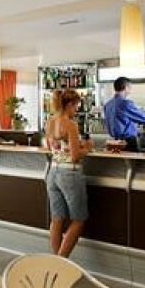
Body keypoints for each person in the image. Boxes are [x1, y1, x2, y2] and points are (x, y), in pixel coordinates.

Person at [44, 89, 93, 258]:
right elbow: (74, 157)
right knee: (79, 219)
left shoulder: (50, 122)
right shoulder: (70, 124)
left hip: (53, 172)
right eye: (76, 106)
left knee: (57, 219)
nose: (77, 110)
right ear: (70, 104)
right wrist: (87, 148)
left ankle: (56, 263)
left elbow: (50, 148)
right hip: (69, 174)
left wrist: (75, 147)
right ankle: (61, 262)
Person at [104, 77, 145, 152]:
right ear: (126, 88)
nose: (130, 91)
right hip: (128, 142)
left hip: (115, 142)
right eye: (130, 88)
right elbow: (144, 118)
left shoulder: (108, 104)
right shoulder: (125, 103)